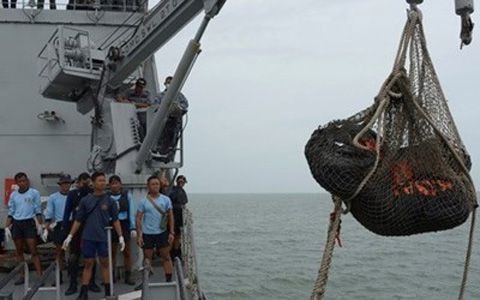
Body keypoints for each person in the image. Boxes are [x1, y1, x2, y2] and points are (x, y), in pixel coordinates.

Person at [63, 172, 125, 300]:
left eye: (104, 180)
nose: (103, 183)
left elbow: (115, 220)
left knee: (104, 263)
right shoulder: (85, 200)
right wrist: (70, 235)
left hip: (103, 237)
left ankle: (108, 292)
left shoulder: (110, 201)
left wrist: (120, 236)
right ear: (93, 182)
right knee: (88, 263)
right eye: (100, 180)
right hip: (88, 237)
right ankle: (83, 292)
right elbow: (78, 220)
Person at [62, 172, 101, 296]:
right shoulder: (73, 194)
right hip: (77, 228)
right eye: (83, 182)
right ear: (78, 182)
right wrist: (65, 228)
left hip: (91, 228)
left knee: (91, 257)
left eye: (87, 182)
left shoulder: (93, 193)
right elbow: (67, 211)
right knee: (74, 257)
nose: (85, 185)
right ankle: (73, 284)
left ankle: (91, 282)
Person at [134, 176, 175, 290]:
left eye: (157, 184)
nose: (156, 186)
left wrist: (171, 232)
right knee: (147, 258)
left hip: (162, 232)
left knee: (166, 256)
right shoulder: (143, 201)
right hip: (148, 234)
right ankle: (145, 281)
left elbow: (170, 216)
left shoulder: (166, 200)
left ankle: (169, 280)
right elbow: (138, 218)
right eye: (153, 184)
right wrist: (139, 235)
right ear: (148, 186)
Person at [4, 172, 43, 285]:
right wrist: (7, 227)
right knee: (19, 251)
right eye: (20, 181)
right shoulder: (13, 195)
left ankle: (40, 276)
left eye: (24, 180)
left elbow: (38, 210)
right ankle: (22, 276)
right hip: (17, 224)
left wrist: (40, 225)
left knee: (33, 251)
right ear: (17, 183)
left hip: (29, 223)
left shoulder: (34, 193)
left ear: (27, 181)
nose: (23, 183)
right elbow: (11, 212)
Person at [42, 174, 73, 285]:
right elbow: (49, 212)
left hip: (73, 224)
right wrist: (46, 227)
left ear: (70, 184)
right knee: (59, 252)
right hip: (60, 225)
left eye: (68, 183)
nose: (66, 185)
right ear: (60, 185)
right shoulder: (53, 197)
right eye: (63, 183)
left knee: (74, 252)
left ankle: (73, 276)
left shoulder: (74, 195)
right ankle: (59, 276)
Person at [108, 175, 136, 286]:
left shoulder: (126, 195)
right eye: (112, 183)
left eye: (116, 183)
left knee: (127, 252)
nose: (115, 185)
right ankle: (111, 276)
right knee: (112, 252)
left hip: (124, 224)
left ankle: (128, 276)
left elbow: (131, 210)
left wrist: (132, 227)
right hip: (111, 225)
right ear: (109, 185)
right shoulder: (107, 197)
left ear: (120, 184)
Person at [153, 76, 189, 162]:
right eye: (168, 83)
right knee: (161, 139)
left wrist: (178, 108)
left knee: (173, 140)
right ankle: (159, 153)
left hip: (175, 123)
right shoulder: (160, 96)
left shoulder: (180, 96)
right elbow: (155, 105)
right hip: (163, 123)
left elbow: (185, 105)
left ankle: (169, 155)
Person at [168, 175, 188, 259]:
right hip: (173, 215)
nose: (181, 183)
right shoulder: (172, 190)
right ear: (177, 181)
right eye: (180, 182)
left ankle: (175, 252)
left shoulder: (182, 191)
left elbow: (184, 203)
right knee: (172, 234)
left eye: (182, 182)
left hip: (180, 216)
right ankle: (170, 252)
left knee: (178, 235)